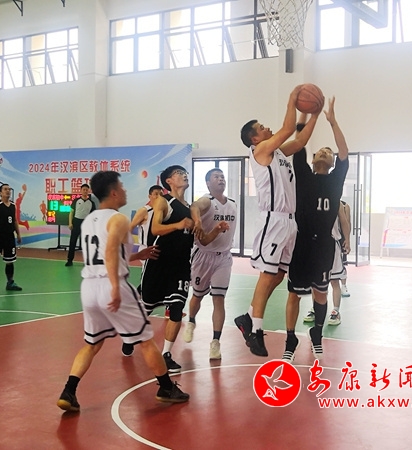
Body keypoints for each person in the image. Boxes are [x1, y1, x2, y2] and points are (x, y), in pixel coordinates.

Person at [56, 171, 189, 412]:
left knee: (92, 344)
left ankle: (69, 391)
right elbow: (109, 253)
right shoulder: (117, 219)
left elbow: (104, 254)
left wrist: (138, 255)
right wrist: (116, 288)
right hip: (110, 283)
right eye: (122, 187)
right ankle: (166, 388)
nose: (125, 190)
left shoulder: (89, 220)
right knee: (146, 340)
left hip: (89, 287)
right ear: (114, 192)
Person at [234, 85, 319, 357]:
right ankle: (255, 331)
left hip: (289, 223)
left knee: (279, 274)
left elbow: (300, 140)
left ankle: (248, 317)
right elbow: (288, 128)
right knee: (267, 274)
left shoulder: (279, 152)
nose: (267, 128)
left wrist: (315, 114)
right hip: (273, 219)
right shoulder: (260, 151)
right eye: (261, 127)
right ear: (254, 139)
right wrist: (292, 100)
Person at [283, 96, 349, 362]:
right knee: (294, 294)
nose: (324, 152)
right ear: (312, 159)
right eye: (320, 151)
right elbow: (299, 140)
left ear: (332, 163)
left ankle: (317, 334)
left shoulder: (336, 180)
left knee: (321, 292)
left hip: (323, 244)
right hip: (301, 242)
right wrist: (305, 114)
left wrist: (332, 122)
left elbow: (344, 152)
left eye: (328, 153)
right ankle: (290, 338)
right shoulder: (303, 173)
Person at [128, 165, 194, 372]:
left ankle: (166, 354)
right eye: (179, 173)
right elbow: (156, 228)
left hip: (181, 265)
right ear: (169, 181)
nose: (184, 175)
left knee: (177, 308)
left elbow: (201, 238)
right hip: (158, 262)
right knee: (146, 306)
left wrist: (216, 231)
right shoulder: (163, 201)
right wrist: (178, 225)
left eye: (185, 173)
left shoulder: (191, 208)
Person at [183, 168, 235, 360]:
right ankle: (191, 321)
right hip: (203, 256)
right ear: (208, 183)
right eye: (216, 177)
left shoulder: (232, 204)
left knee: (219, 299)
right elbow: (195, 206)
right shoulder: (208, 201)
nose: (221, 179)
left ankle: (215, 342)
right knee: (197, 296)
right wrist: (197, 221)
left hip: (224, 258)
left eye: (222, 176)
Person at [303, 199, 351, 325]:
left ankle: (335, 312)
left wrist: (347, 240)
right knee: (315, 282)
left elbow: (344, 222)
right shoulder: (312, 198)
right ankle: (315, 308)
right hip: (315, 244)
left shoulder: (336, 201)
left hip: (332, 244)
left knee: (334, 281)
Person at [65, 184, 97, 267]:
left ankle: (86, 261)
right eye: (84, 189)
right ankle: (69, 260)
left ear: (88, 191)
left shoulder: (91, 203)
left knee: (85, 243)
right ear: (81, 190)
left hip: (86, 224)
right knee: (72, 242)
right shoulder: (76, 201)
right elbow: (71, 213)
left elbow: (93, 216)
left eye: (87, 190)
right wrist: (70, 223)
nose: (85, 191)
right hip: (76, 222)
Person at [129, 185, 164, 257]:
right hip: (147, 249)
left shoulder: (162, 212)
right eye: (156, 194)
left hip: (159, 248)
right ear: (149, 196)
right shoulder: (144, 211)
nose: (159, 197)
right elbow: (131, 227)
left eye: (161, 194)